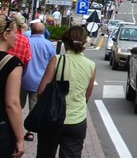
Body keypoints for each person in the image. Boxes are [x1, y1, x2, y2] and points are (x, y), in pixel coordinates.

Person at [36, 25, 95, 158]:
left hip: (52, 118)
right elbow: (87, 95)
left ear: (65, 42)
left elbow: (41, 91)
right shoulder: (91, 65)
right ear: (84, 42)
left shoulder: (56, 60)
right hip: (77, 120)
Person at [21, 20, 55, 142]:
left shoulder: (26, 42)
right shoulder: (49, 45)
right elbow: (52, 64)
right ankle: (30, 132)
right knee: (34, 107)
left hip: (22, 79)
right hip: (40, 81)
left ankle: (13, 128)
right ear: (44, 31)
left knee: (17, 104)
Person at [0, 15, 26, 158]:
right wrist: (20, 139)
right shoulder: (12, 63)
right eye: (14, 33)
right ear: (5, 35)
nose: (16, 37)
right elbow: (12, 104)